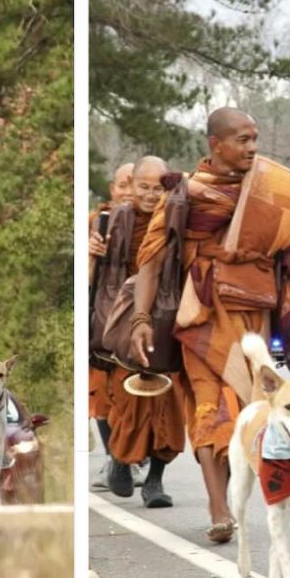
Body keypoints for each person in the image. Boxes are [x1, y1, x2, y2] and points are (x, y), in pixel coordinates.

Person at [129, 108, 290, 542]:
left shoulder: (272, 192)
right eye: (242, 139)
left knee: (249, 411)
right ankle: (219, 508)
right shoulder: (185, 194)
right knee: (208, 407)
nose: (252, 147)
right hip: (200, 317)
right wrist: (141, 318)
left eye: (255, 138)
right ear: (215, 145)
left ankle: (237, 493)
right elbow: (151, 262)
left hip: (255, 319)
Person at [95, 156, 190, 506]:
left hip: (168, 317)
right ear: (130, 185)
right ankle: (121, 459)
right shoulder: (113, 221)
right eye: (143, 187)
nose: (151, 195)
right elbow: (101, 277)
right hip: (124, 319)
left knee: (168, 404)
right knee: (128, 403)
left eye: (158, 188)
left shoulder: (179, 216)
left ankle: (155, 482)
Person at [88, 161, 134, 491]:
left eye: (136, 184)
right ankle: (114, 459)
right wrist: (91, 254)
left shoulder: (156, 223)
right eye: (123, 185)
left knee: (134, 395)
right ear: (112, 190)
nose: (129, 192)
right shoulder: (96, 222)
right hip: (102, 320)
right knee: (101, 395)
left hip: (139, 320)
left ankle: (132, 459)